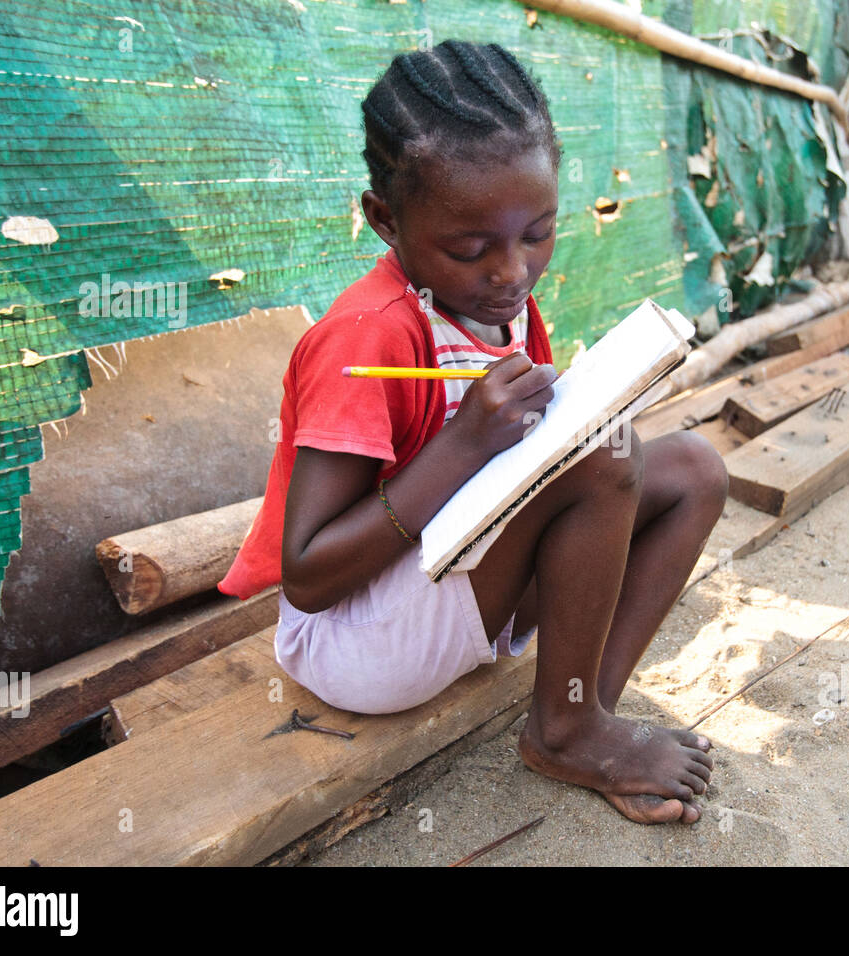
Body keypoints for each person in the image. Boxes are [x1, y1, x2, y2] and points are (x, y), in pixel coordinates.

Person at [218, 39, 729, 825]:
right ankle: (567, 732)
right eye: (470, 248)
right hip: (354, 643)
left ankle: (581, 710)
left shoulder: (505, 310)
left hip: (448, 586)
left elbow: (542, 464)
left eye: (539, 233)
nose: (511, 271)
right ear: (386, 221)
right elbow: (311, 577)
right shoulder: (369, 337)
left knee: (692, 467)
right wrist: (463, 444)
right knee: (600, 467)